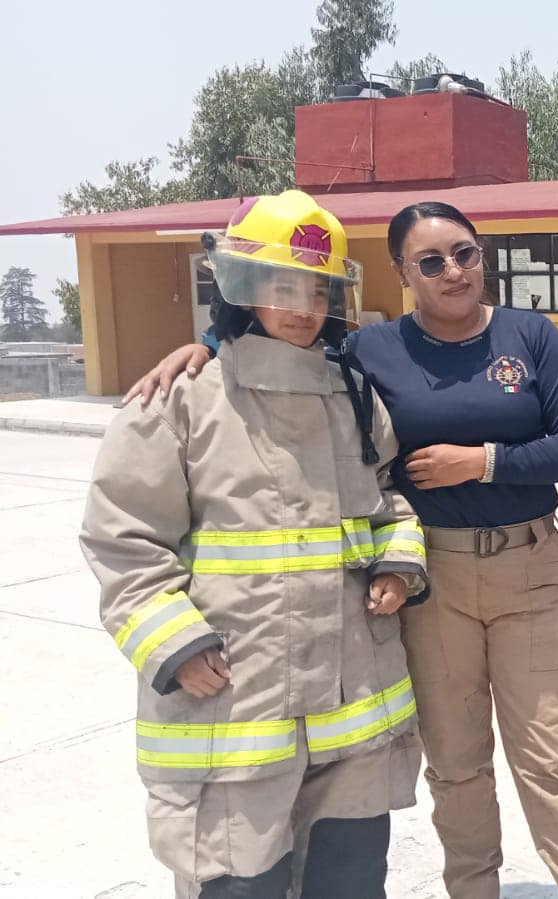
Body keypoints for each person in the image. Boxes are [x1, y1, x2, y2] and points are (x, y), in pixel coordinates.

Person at [123, 200, 558, 899]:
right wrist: (209, 341)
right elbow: (280, 347)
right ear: (403, 274)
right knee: (456, 763)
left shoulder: (530, 334)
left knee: (551, 762)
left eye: (465, 253)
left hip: (529, 568)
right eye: (431, 261)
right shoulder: (367, 351)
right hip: (434, 577)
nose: (452, 270)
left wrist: (481, 462)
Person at [82, 190, 427, 897]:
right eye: (280, 284)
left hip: (351, 703)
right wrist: (174, 640)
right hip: (237, 704)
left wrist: (397, 560)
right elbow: (122, 537)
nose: (301, 306)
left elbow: (386, 496)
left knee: (352, 878)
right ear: (242, 287)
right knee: (242, 882)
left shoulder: (354, 395)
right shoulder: (181, 397)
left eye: (315, 288)